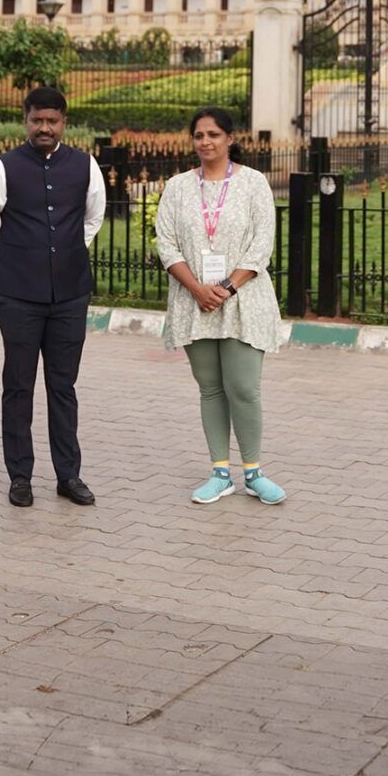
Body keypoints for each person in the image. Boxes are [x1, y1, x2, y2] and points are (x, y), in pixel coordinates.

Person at [0, 85, 105, 507]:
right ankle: (20, 476)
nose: (44, 128)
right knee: (18, 385)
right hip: (18, 296)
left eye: (52, 121)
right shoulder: (1, 168)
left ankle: (69, 475)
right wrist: (16, 259)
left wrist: (63, 254)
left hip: (70, 294)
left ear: (64, 123)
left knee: (63, 386)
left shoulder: (85, 165)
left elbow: (93, 218)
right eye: (37, 120)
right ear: (25, 121)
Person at [153, 108, 290, 505]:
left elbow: (262, 244)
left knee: (243, 388)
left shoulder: (253, 183)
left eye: (213, 134)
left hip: (243, 300)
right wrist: (198, 289)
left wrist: (226, 288)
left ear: (230, 138)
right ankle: (220, 473)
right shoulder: (178, 187)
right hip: (194, 301)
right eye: (199, 135)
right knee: (211, 388)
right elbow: (166, 243)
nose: (206, 141)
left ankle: (254, 473)